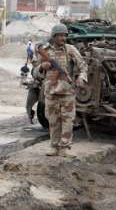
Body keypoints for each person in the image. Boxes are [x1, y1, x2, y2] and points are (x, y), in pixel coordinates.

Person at [35, 24, 88, 158]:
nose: (63, 38)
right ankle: (54, 146)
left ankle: (65, 147)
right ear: (54, 37)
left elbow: (83, 66)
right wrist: (42, 66)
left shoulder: (70, 49)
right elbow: (35, 71)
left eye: (64, 35)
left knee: (68, 120)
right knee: (53, 120)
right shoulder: (45, 51)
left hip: (67, 91)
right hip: (51, 91)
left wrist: (81, 78)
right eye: (60, 35)